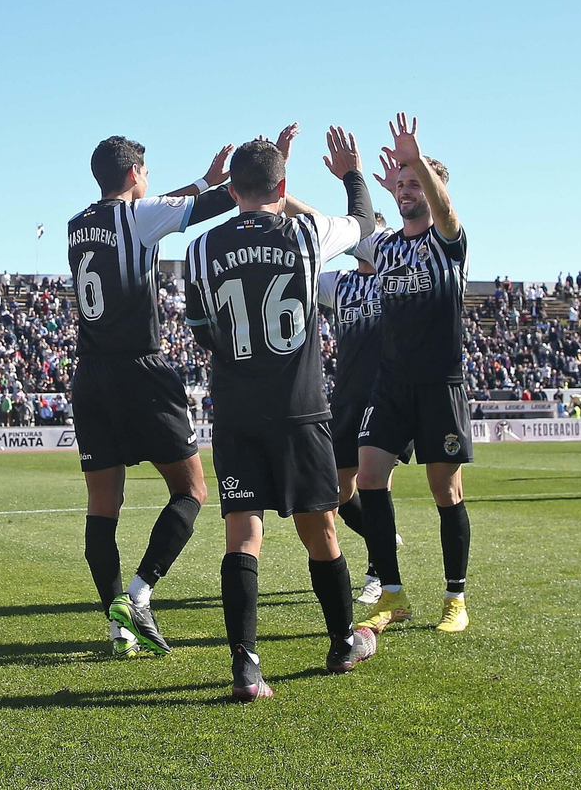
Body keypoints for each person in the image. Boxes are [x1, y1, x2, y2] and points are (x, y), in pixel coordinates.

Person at [183, 126, 380, 699]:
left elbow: (200, 329)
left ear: (232, 189)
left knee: (243, 535)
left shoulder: (200, 247)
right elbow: (365, 225)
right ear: (283, 185)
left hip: (237, 408)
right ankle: (342, 643)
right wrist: (352, 174)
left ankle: (247, 667)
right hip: (300, 408)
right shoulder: (306, 233)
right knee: (320, 528)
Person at [66, 131, 242, 657]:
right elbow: (208, 206)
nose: (148, 180)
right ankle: (140, 593)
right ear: (133, 173)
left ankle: (117, 627)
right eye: (145, 172)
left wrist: (202, 180)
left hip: (90, 374)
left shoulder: (77, 225)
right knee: (192, 491)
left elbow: (163, 207)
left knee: (103, 505)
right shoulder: (138, 217)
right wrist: (248, 175)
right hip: (140, 370)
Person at [353, 114, 474, 636]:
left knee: (445, 491)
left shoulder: (448, 241)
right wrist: (276, 193)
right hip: (392, 384)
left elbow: (445, 212)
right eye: (400, 183)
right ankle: (393, 594)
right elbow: (341, 225)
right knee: (369, 478)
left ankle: (455, 598)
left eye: (415, 183)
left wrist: (417, 160)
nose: (406, 189)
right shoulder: (385, 247)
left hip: (439, 385)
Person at [318, 217, 409, 606]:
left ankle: (378, 575)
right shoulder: (337, 282)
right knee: (339, 492)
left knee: (377, 486)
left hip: (387, 397)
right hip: (346, 398)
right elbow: (298, 268)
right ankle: (382, 538)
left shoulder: (396, 281)